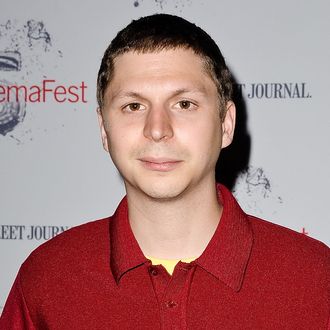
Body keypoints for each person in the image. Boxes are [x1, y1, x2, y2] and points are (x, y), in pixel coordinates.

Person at [0, 13, 329, 329]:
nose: (157, 129)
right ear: (104, 129)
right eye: (134, 106)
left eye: (184, 104)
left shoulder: (316, 280)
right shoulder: (47, 279)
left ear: (226, 124)